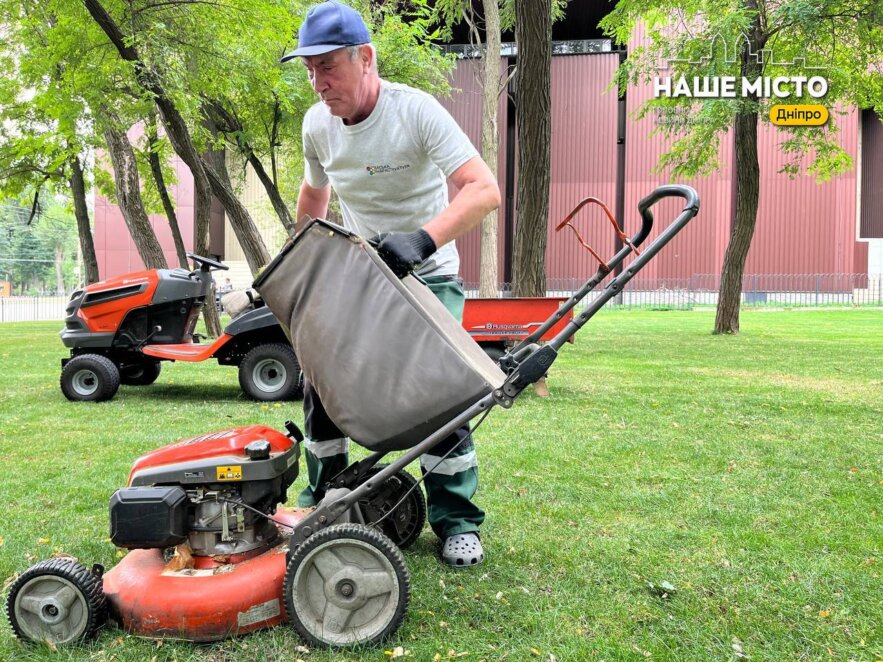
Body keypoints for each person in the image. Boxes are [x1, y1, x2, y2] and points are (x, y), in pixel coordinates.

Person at [281, 0, 501, 568]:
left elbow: (482, 189)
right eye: (309, 69)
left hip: (427, 271)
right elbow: (314, 196)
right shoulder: (316, 125)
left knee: (442, 395)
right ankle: (328, 500)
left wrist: (422, 240)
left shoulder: (416, 112)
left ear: (366, 59)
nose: (318, 82)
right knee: (322, 381)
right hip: (361, 274)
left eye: (328, 66)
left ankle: (455, 519)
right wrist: (299, 259)